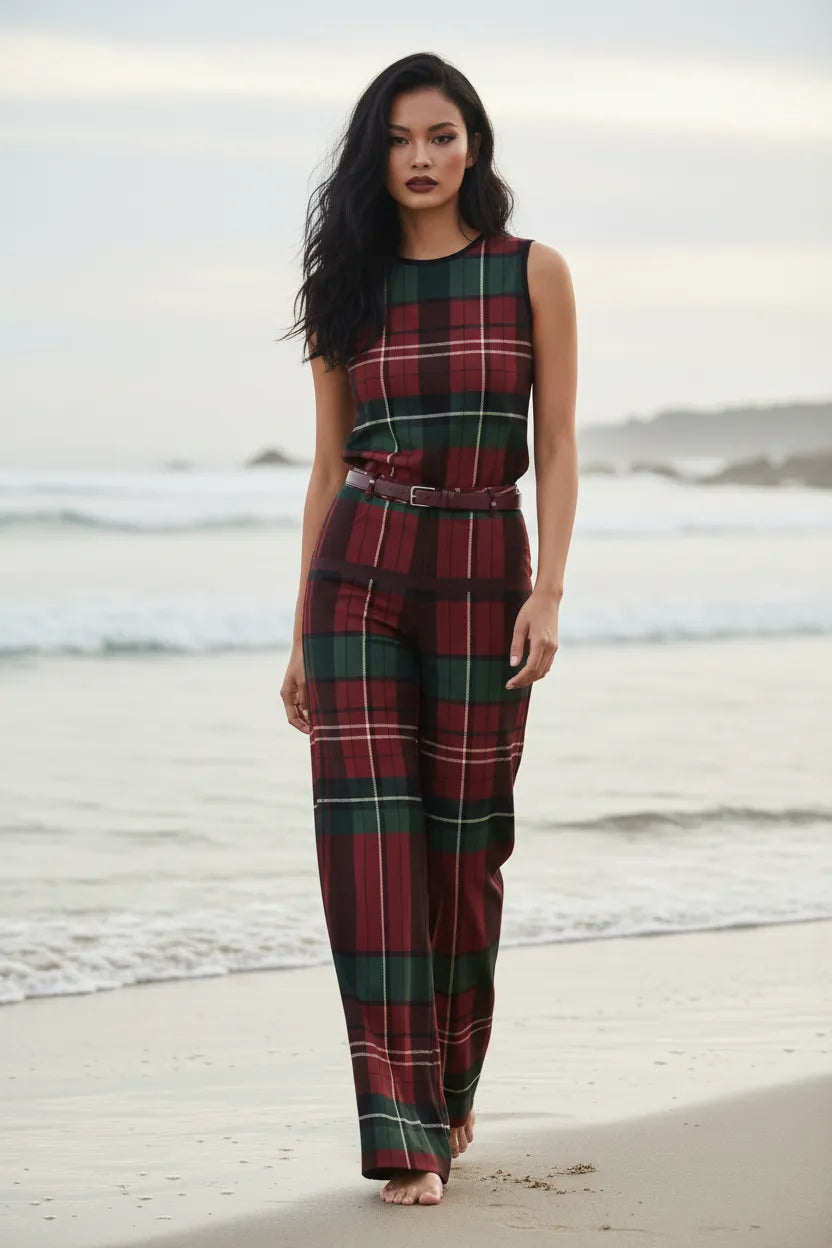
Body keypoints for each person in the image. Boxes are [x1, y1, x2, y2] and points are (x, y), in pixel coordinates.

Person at [280, 51, 578, 1207]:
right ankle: (401, 1132)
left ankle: (448, 1094)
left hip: (479, 570)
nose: (420, 159)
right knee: (369, 858)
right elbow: (323, 468)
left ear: (473, 145)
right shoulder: (345, 287)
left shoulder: (529, 273)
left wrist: (547, 589)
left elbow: (552, 444)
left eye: (441, 136)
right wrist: (301, 629)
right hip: (356, 572)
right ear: (375, 150)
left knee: (464, 852)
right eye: (400, 139)